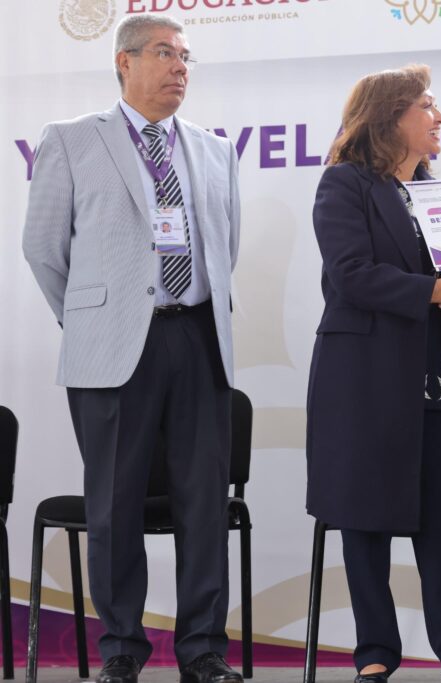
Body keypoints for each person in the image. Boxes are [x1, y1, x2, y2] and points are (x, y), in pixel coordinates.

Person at [22, 14, 242, 683]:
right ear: (124, 61)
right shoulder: (70, 140)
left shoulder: (214, 150)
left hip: (197, 336)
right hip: (114, 344)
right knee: (114, 503)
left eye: (186, 57)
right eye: (165, 53)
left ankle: (203, 649)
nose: (179, 67)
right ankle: (120, 647)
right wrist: (94, 319)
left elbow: (225, 245)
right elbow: (43, 249)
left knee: (204, 501)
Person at [306, 64, 441, 683]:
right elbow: (351, 275)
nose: (440, 118)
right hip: (364, 383)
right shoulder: (344, 183)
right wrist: (438, 291)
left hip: (436, 381)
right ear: (390, 117)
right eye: (427, 106)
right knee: (365, 521)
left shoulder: (438, 193)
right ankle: (375, 654)